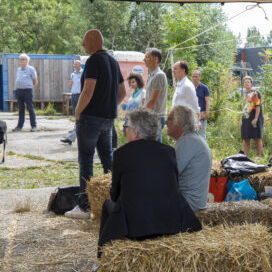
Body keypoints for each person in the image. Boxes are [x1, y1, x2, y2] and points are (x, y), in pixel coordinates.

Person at [98, 107, 202, 256]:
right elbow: (173, 187)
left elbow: (115, 194)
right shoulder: (169, 152)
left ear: (135, 132)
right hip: (170, 223)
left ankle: (102, 257)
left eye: (127, 127)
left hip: (137, 228)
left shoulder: (122, 154)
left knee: (108, 204)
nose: (125, 130)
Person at [65, 29, 126, 219]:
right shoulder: (113, 62)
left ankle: (84, 207)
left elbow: (88, 90)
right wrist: (108, 106)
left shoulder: (93, 61)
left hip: (90, 119)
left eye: (84, 41)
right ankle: (115, 200)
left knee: (86, 160)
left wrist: (78, 112)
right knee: (108, 160)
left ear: (93, 41)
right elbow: (123, 92)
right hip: (108, 119)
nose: (83, 45)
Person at [166, 105, 212, 212]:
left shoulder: (186, 142)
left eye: (169, 119)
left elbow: (168, 175)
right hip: (193, 202)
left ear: (180, 122)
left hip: (188, 203)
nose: (165, 122)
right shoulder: (192, 139)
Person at [144, 48, 168, 142]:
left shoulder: (159, 75)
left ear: (156, 59)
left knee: (155, 147)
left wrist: (141, 114)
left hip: (155, 117)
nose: (144, 59)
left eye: (147, 57)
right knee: (151, 147)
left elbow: (152, 100)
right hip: (151, 116)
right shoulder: (151, 75)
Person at [13, 53, 38, 132]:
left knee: (30, 108)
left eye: (23, 59)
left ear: (27, 61)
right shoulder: (18, 69)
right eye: (20, 59)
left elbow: (35, 81)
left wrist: (28, 86)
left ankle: (34, 126)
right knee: (20, 109)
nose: (21, 61)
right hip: (19, 90)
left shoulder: (31, 69)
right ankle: (19, 126)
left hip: (27, 90)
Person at [241, 76, 264, 159]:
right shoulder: (244, 95)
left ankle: (258, 157)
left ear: (251, 84)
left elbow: (258, 106)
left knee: (257, 137)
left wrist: (256, 118)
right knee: (246, 137)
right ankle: (245, 157)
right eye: (245, 82)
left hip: (254, 118)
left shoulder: (255, 93)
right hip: (246, 118)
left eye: (248, 82)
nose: (246, 83)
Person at [61, 59, 83, 145]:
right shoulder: (73, 74)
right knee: (75, 113)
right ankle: (75, 130)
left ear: (80, 65)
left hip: (80, 95)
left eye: (77, 64)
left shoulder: (83, 73)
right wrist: (70, 83)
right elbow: (70, 85)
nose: (75, 66)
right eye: (74, 64)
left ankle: (72, 136)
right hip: (73, 95)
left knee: (79, 115)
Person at [192, 70, 210, 138]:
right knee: (193, 136)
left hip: (202, 114)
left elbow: (207, 102)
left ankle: (203, 148)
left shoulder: (204, 88)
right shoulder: (190, 87)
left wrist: (207, 113)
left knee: (202, 136)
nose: (194, 78)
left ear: (200, 77)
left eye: (196, 77)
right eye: (193, 77)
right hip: (192, 115)